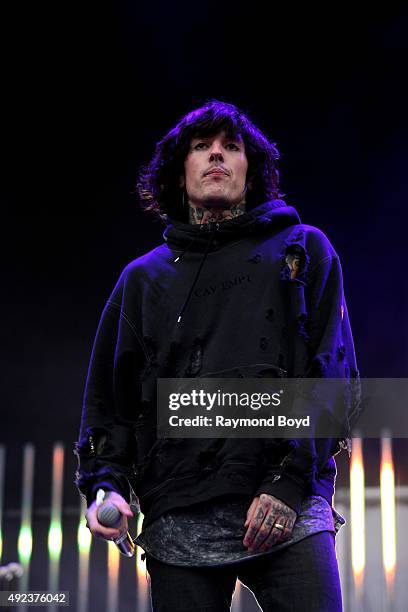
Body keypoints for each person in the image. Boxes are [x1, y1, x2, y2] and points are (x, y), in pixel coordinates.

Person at [74, 100, 361, 611]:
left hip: (287, 506)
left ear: (251, 173)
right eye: (202, 147)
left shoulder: (303, 249)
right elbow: (109, 401)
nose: (217, 156)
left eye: (232, 147)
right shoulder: (142, 279)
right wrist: (107, 486)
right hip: (179, 517)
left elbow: (335, 376)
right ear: (178, 173)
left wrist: (289, 483)